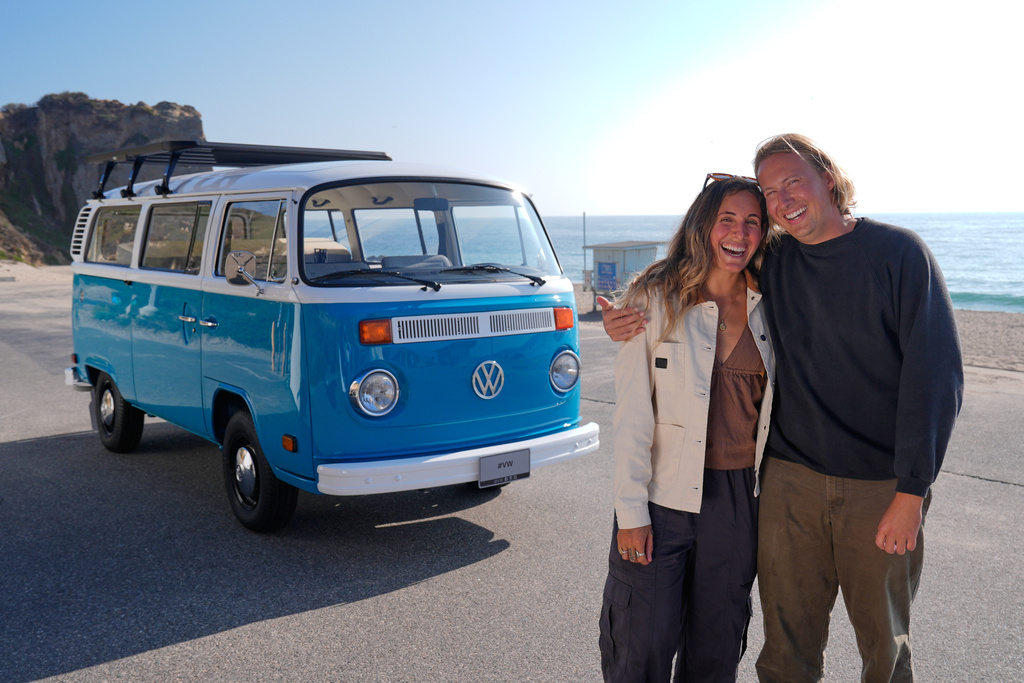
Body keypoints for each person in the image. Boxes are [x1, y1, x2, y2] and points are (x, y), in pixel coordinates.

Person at [600, 134, 964, 683]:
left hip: (844, 490)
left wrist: (912, 489)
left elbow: (935, 377)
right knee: (760, 651)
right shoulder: (727, 278)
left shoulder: (883, 258)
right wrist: (621, 320)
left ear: (830, 180)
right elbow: (635, 409)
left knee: (874, 652)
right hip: (761, 486)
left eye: (792, 182)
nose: (781, 200)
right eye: (771, 191)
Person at [599, 175, 777, 682]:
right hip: (660, 500)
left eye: (753, 222)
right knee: (641, 649)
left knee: (716, 653)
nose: (739, 233)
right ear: (704, 224)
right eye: (727, 219)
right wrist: (631, 511)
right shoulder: (651, 299)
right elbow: (632, 417)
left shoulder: (775, 305)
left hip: (739, 503)